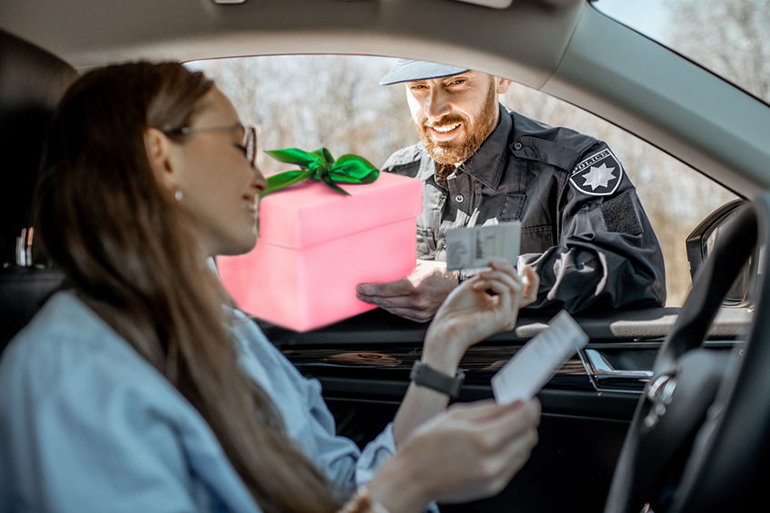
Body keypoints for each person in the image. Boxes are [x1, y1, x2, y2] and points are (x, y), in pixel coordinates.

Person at [0, 62, 541, 513]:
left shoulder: (226, 330)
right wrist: (405, 490)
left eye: (457, 84)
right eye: (239, 145)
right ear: (162, 157)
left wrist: (443, 345)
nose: (261, 177)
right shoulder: (69, 370)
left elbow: (338, 486)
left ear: (502, 81)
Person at [357, 60, 666, 322]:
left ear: (502, 78)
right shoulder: (397, 175)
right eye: (419, 88)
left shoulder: (577, 164)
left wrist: (469, 285)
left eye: (456, 82)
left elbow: (635, 271)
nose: (435, 111)